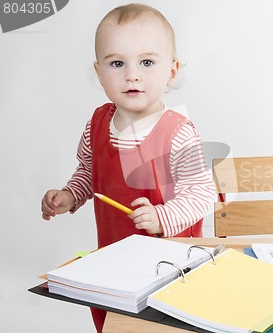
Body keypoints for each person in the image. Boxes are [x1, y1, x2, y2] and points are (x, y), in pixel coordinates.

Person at [40, 4, 215, 332]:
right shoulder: (97, 125)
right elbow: (90, 172)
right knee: (117, 324)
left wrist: (163, 217)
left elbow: (202, 194)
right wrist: (70, 195)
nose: (132, 74)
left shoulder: (177, 133)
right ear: (99, 71)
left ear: (172, 71)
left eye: (147, 62)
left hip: (170, 266)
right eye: (117, 63)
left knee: (163, 326)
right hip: (115, 262)